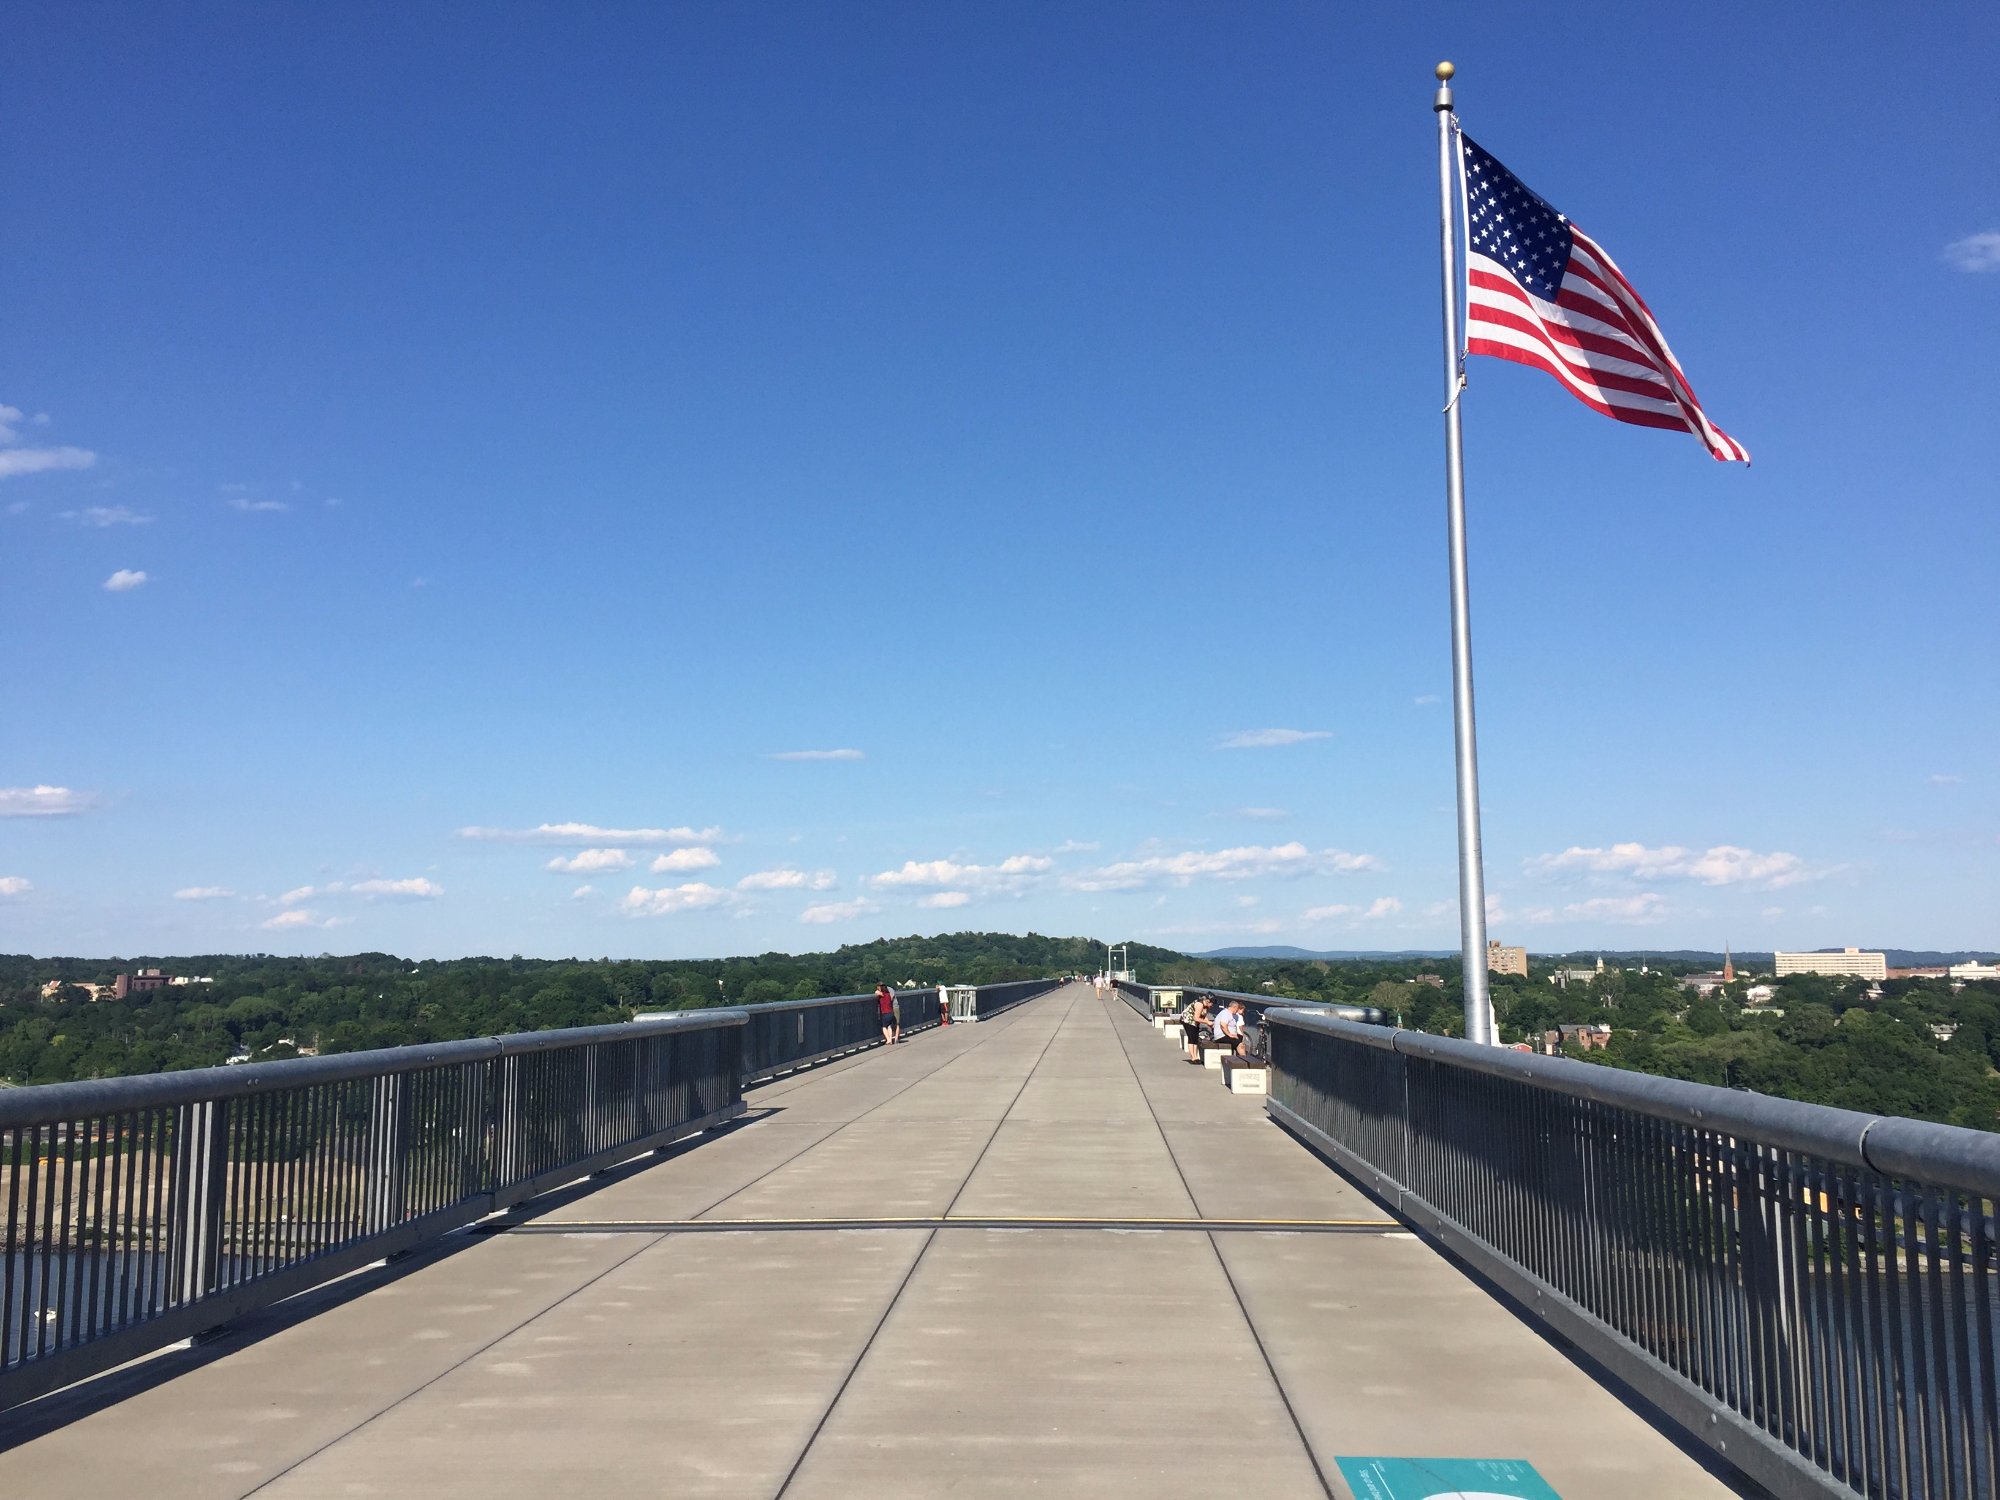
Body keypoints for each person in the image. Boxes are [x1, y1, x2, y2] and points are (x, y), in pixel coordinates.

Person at [1180, 995, 1214, 1063]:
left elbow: (1203, 1017)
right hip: (1187, 1020)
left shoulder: (1205, 1007)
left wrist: (1209, 1023)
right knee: (1191, 1038)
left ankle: (1196, 1056)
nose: (1212, 1006)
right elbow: (1196, 1018)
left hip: (1194, 1022)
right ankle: (1193, 1058)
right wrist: (1207, 1022)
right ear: (1208, 1001)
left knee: (1195, 1038)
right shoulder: (1199, 1004)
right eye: (1212, 1003)